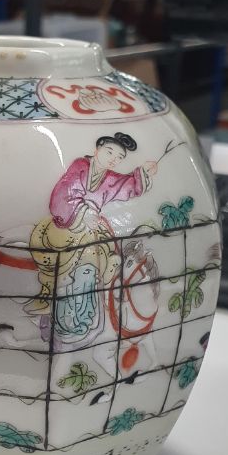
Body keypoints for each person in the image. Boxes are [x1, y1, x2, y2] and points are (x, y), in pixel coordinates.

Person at [26, 133, 158, 346]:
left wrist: (143, 172)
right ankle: (62, 318)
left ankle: (85, 318)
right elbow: (63, 193)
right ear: (97, 149)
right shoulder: (80, 166)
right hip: (68, 223)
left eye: (119, 157)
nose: (113, 159)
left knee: (97, 266)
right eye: (110, 152)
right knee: (70, 265)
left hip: (93, 227)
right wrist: (84, 213)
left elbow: (128, 185)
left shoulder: (110, 178)